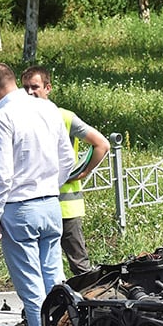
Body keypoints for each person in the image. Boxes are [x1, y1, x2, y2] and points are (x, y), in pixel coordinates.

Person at [0, 62, 75, 326]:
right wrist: (49, 185)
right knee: (55, 279)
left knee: (31, 285)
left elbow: (2, 172)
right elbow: (67, 157)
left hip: (20, 208)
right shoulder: (48, 107)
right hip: (50, 203)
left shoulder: (4, 116)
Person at [20, 66, 109, 276]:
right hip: (36, 203)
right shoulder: (21, 116)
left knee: (79, 265)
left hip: (65, 206)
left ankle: (89, 304)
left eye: (35, 87)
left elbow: (102, 145)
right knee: (43, 266)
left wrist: (85, 172)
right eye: (25, 88)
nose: (30, 92)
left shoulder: (64, 117)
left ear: (48, 88)